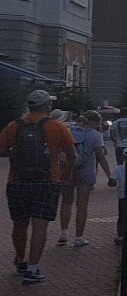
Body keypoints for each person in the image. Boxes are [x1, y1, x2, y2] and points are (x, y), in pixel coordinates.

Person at [1, 90, 76, 284]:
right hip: (46, 181)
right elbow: (71, 155)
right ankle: (33, 269)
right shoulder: (57, 126)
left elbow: (2, 150)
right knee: (39, 225)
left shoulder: (13, 126)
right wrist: (64, 174)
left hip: (17, 181)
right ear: (47, 106)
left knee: (19, 223)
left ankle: (20, 260)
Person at [57, 111, 117, 247]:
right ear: (94, 121)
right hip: (86, 170)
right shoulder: (95, 135)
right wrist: (109, 175)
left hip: (67, 168)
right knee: (82, 205)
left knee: (66, 202)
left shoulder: (69, 130)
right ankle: (78, 237)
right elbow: (100, 157)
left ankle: (64, 233)